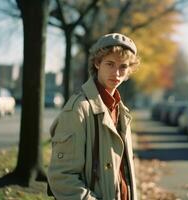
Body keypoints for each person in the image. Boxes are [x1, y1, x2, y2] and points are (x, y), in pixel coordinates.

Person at [47, 33, 140, 200]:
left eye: (123, 67)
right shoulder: (79, 109)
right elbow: (62, 178)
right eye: (110, 64)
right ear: (97, 63)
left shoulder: (121, 110)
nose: (117, 73)